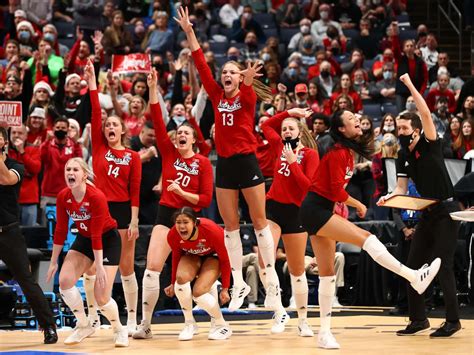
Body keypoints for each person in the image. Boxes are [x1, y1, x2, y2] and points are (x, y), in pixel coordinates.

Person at [300, 107, 441, 349]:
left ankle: (324, 333)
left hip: (319, 210)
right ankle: (413, 276)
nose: (357, 119)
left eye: (356, 117)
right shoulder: (336, 152)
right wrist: (358, 204)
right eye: (351, 119)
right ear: (342, 129)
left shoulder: (346, 151)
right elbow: (335, 191)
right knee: (367, 238)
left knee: (327, 275)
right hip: (315, 210)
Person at [175, 6, 283, 312]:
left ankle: (272, 283)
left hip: (247, 161)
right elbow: (200, 64)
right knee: (230, 226)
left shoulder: (246, 96)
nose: (226, 76)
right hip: (225, 165)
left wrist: (247, 78)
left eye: (231, 73)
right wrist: (189, 32)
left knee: (260, 222)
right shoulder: (216, 93)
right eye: (225, 73)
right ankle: (238, 283)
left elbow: (248, 88)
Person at [378, 73, 461, 337]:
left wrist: (410, 86)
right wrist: (389, 198)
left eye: (403, 129)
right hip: (426, 213)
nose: (399, 132)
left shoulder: (429, 143)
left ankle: (453, 320)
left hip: (447, 209)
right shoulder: (403, 154)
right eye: (397, 129)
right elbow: (401, 189)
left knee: (443, 265)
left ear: (415, 129)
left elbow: (424, 112)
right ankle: (418, 319)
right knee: (413, 265)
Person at [133, 69, 213, 340]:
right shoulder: (168, 151)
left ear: (193, 139)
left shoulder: (202, 162)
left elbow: (205, 200)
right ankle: (145, 324)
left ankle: (197, 321)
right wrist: (153, 88)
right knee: (152, 268)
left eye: (186, 133)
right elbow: (156, 116)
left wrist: (182, 191)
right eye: (178, 132)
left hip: (191, 218)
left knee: (186, 277)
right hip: (166, 213)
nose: (180, 135)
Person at [85, 60, 142, 336]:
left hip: (122, 213)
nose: (109, 127)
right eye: (107, 125)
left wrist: (133, 220)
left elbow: (135, 190)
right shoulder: (97, 148)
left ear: (123, 131)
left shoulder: (132, 157)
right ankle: (93, 318)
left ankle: (132, 318)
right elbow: (96, 111)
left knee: (126, 267)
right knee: (93, 267)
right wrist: (92, 84)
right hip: (97, 210)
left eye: (114, 125)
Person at [46, 157, 128, 347]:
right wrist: (53, 261)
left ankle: (119, 329)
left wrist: (98, 266)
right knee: (65, 281)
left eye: (75, 170)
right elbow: (60, 230)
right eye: (68, 170)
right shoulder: (63, 196)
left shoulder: (96, 196)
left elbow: (98, 233)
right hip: (84, 238)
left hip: (107, 240)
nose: (70, 173)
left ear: (84, 175)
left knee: (101, 298)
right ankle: (84, 325)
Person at [260, 107, 319, 335]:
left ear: (299, 132)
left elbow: (308, 187)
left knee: (296, 271)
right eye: (284, 129)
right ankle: (279, 312)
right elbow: (266, 125)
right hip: (273, 208)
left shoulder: (310, 155)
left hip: (296, 213)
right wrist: (287, 112)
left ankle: (303, 320)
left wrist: (293, 162)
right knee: (265, 259)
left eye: (291, 128)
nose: (285, 131)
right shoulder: (278, 146)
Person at [0, 126, 57, 344]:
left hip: (9, 232)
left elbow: (5, 179)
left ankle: (49, 326)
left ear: (5, 143)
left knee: (26, 280)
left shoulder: (16, 166)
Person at [164, 207, 232, 340]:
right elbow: (176, 258)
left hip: (214, 257)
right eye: (178, 222)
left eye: (185, 222)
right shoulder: (173, 235)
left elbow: (225, 260)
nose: (181, 226)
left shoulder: (211, 230)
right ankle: (189, 323)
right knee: (181, 279)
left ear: (194, 222)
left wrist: (225, 288)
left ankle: (222, 324)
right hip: (192, 255)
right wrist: (172, 283)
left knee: (198, 293)